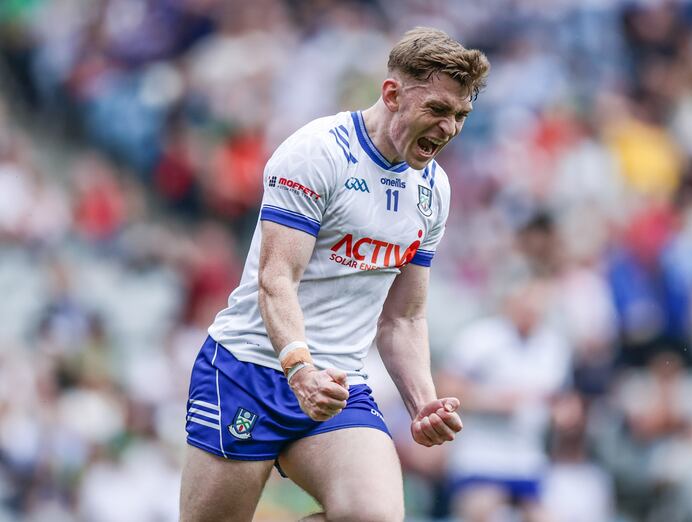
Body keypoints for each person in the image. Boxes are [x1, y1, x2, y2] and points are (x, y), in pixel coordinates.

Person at [179, 27, 490, 522]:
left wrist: (422, 402)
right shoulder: (316, 152)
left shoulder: (433, 189)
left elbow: (404, 319)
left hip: (340, 382)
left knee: (374, 516)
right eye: (437, 110)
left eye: (460, 115)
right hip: (250, 369)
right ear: (391, 94)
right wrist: (300, 369)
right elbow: (276, 279)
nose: (449, 128)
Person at [436, 278, 572, 522]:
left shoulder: (553, 345)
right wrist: (493, 401)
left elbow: (559, 397)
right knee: (481, 511)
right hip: (481, 456)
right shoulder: (481, 337)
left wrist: (564, 412)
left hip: (526, 456)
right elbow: (446, 388)